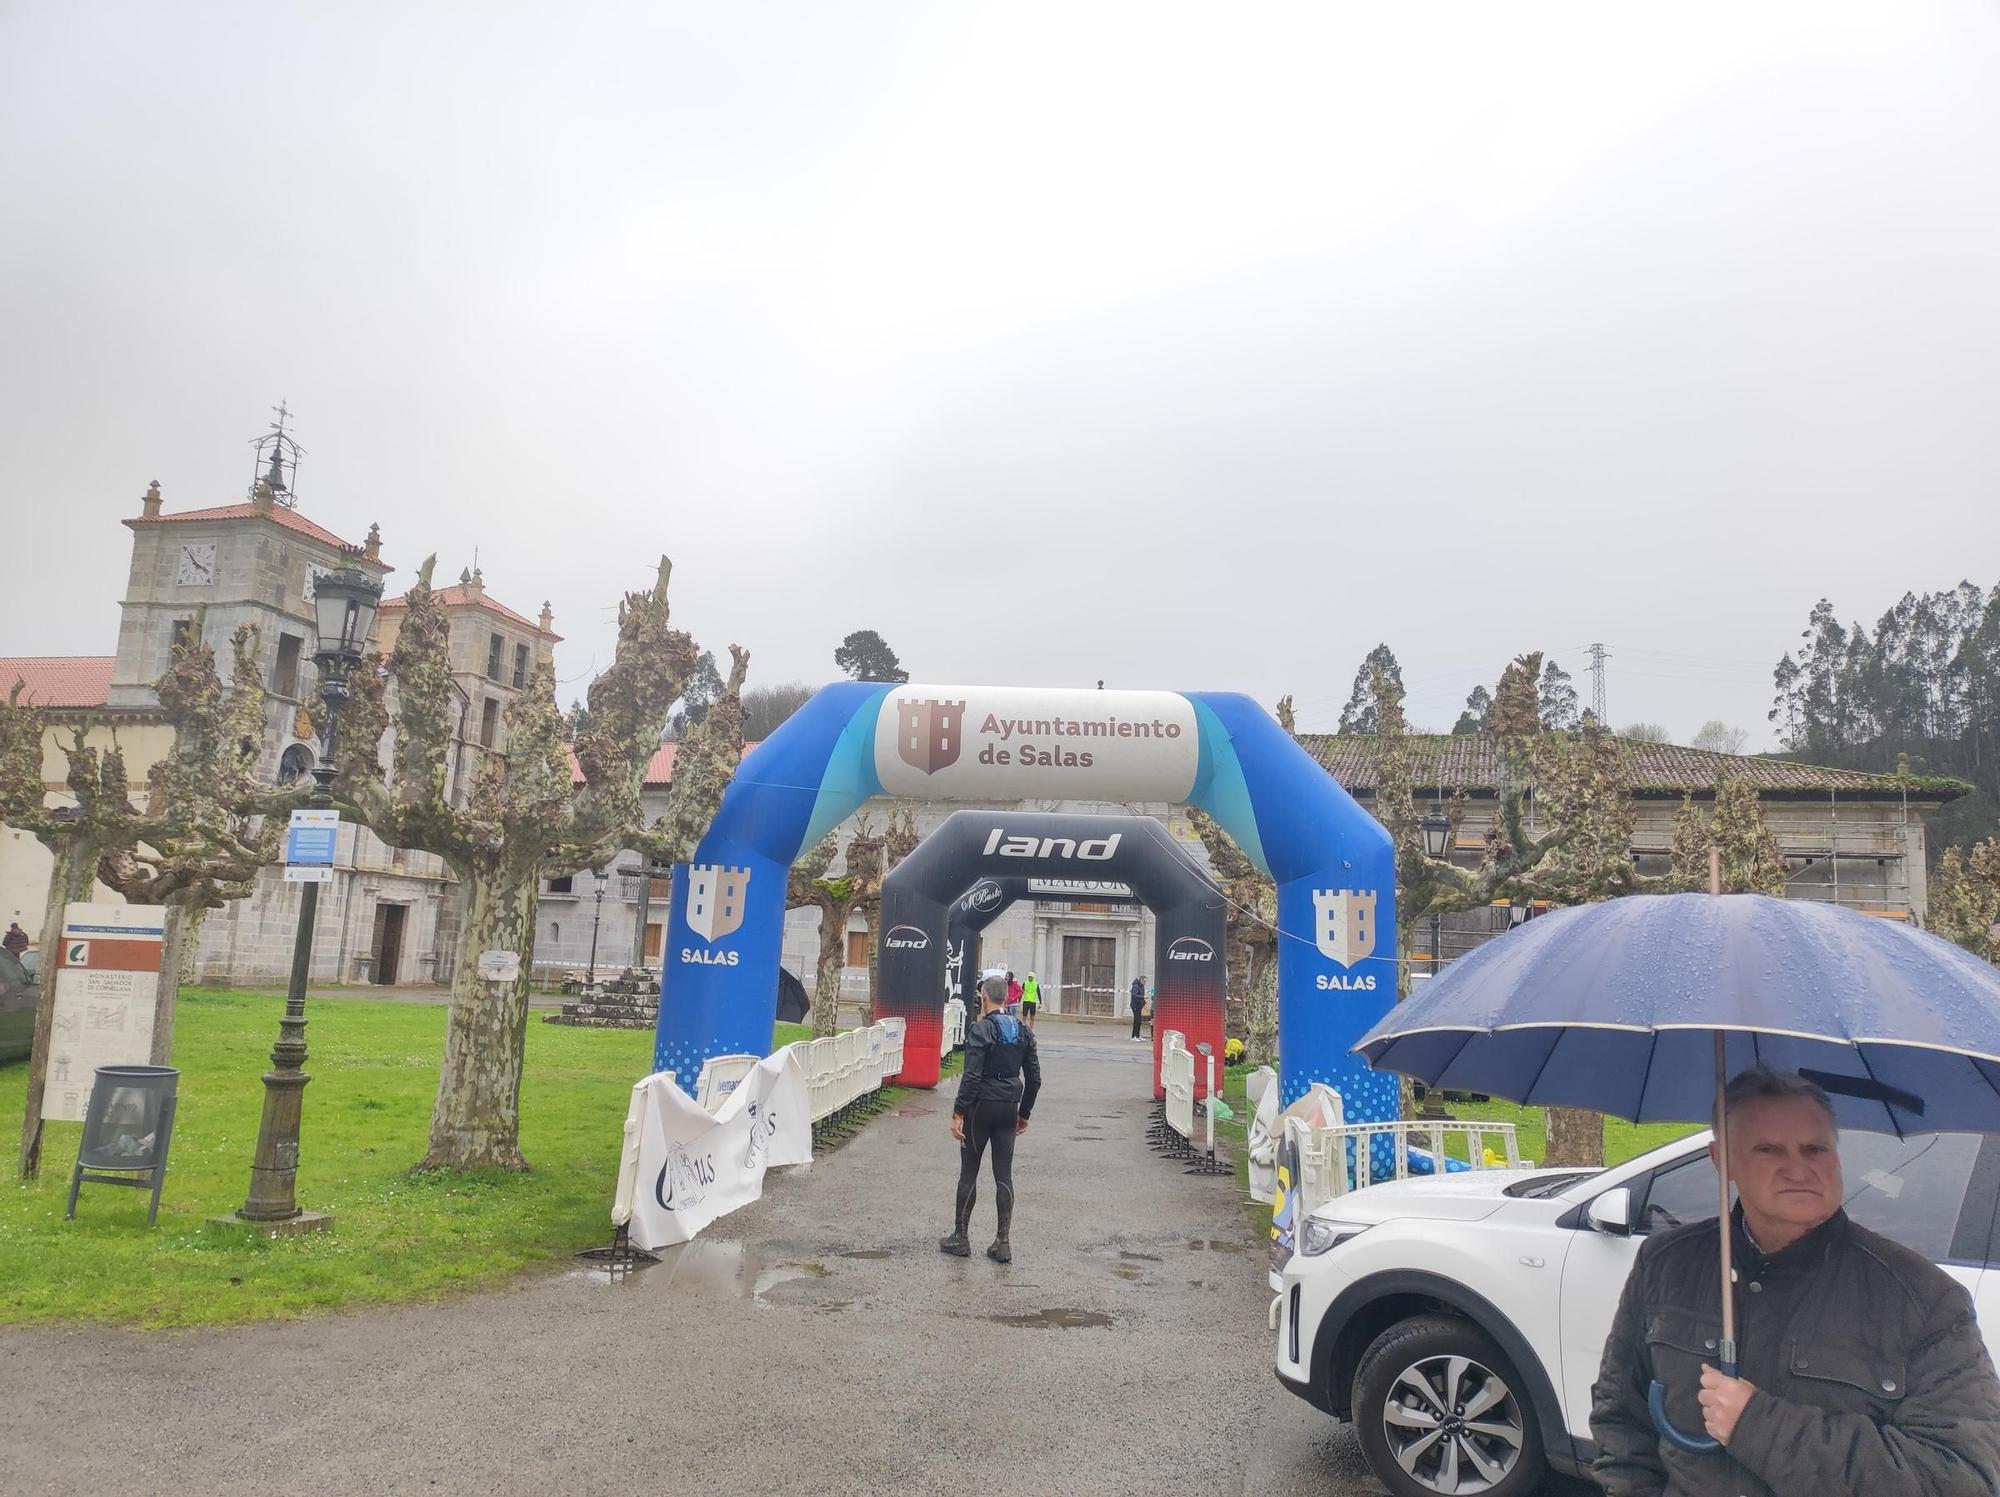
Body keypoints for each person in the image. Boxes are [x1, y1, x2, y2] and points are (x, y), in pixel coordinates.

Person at [1592, 1066, 2000, 1495]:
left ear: (1837, 1158)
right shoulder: (1664, 1265)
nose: (1798, 1169)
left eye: (1814, 1149)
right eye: (1769, 1149)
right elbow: (1621, 1419)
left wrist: (1760, 1426)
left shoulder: (1922, 1300)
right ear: (1722, 1160)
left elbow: (1961, 1476)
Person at [940, 966, 1041, 1264]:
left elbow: (970, 1076)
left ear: (984, 998)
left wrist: (958, 1112)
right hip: (1009, 1106)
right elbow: (1034, 1079)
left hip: (981, 1106)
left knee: (969, 1170)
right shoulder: (1023, 1030)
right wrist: (1024, 1112)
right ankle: (1003, 1242)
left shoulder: (981, 1029)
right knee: (1003, 1174)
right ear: (1007, 997)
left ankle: (961, 1236)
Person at [1129, 975, 1146, 1040]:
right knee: (1137, 1020)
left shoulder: (1142, 986)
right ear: (1141, 980)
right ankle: (1134, 1036)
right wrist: (1143, 997)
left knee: (1139, 1021)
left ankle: (1138, 1035)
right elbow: (1134, 995)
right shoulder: (1136, 986)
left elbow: (1141, 995)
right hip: (1135, 1005)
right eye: (1144, 981)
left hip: (1139, 1006)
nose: (1145, 982)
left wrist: (1144, 1002)